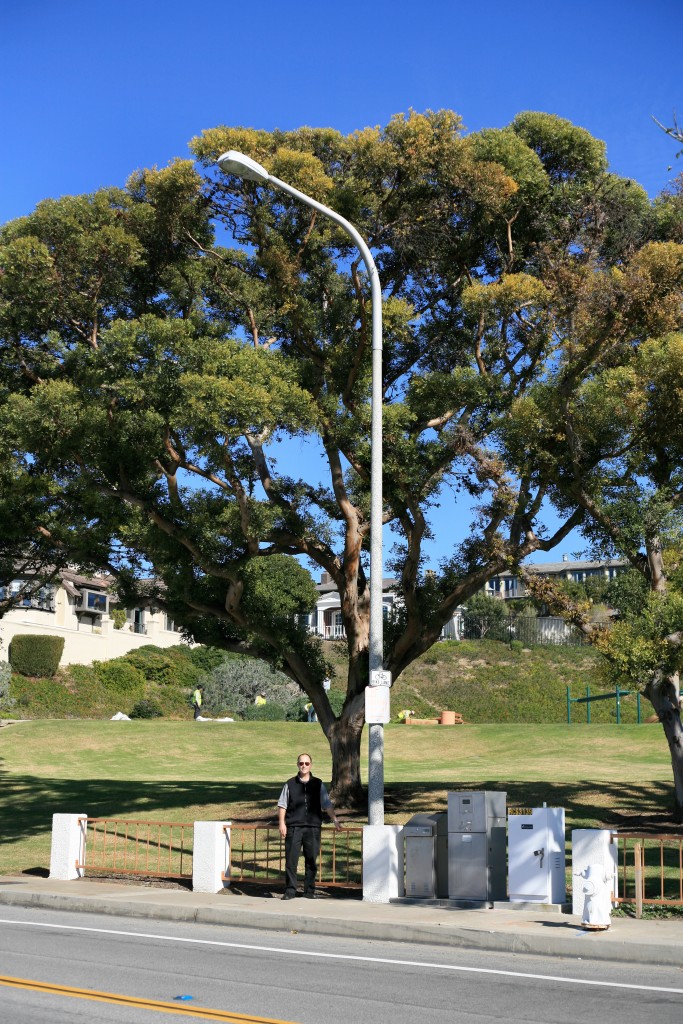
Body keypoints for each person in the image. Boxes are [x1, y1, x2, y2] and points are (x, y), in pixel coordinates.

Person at [277, 753, 340, 899]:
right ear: (297, 765)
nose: (303, 766)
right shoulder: (290, 784)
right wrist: (282, 823)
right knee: (291, 861)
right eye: (301, 763)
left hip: (312, 827)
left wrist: (335, 820)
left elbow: (326, 804)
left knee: (311, 861)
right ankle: (290, 891)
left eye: (306, 763)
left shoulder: (318, 784)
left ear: (311, 765)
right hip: (294, 828)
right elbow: (282, 805)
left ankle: (309, 891)